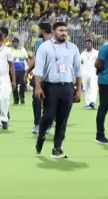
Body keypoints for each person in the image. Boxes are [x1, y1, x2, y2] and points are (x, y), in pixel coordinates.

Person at [33, 22, 81, 158]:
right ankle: (41, 136)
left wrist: (78, 90)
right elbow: (39, 69)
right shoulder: (45, 47)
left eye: (65, 30)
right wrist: (37, 87)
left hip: (67, 87)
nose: (64, 33)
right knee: (48, 116)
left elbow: (78, 70)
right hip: (50, 86)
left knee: (63, 119)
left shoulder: (73, 48)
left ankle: (57, 148)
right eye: (61, 30)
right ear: (54, 31)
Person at [27, 23, 52, 134]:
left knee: (50, 101)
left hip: (52, 77)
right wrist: (27, 70)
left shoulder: (54, 42)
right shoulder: (39, 43)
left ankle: (47, 125)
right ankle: (37, 124)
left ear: (42, 30)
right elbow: (37, 58)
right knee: (36, 99)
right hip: (39, 76)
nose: (38, 31)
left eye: (39, 30)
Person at [93, 39, 108, 144]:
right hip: (106, 82)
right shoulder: (107, 47)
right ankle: (100, 135)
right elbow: (97, 64)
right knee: (103, 108)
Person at [10, 37, 30, 105]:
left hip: (21, 70)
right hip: (13, 71)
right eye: (12, 42)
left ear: (17, 43)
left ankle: (22, 98)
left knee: (22, 84)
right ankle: (16, 100)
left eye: (13, 42)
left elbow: (27, 59)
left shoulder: (23, 50)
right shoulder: (10, 50)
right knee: (13, 84)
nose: (12, 43)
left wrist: (30, 69)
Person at [81, 39, 98, 110]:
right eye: (86, 44)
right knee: (86, 88)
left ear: (92, 44)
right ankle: (88, 103)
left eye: (89, 44)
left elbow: (99, 61)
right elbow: (79, 61)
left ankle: (92, 102)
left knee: (93, 87)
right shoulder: (82, 53)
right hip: (85, 72)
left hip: (93, 72)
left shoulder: (96, 52)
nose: (87, 45)